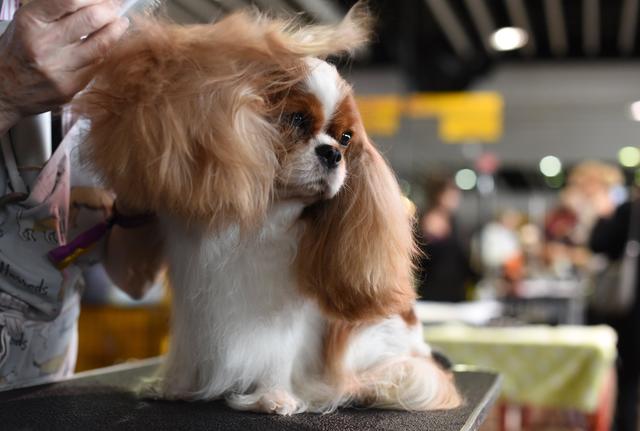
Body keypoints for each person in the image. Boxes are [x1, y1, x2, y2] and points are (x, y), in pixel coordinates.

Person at [0, 0, 163, 387]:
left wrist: (151, 170)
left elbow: (134, 277)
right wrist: (4, 94)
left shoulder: (124, 30)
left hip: (42, 392)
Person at [589, 188, 640, 431]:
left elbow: (598, 244)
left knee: (629, 376)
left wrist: (602, 215)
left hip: (632, 309)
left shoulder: (630, 210)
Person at [416, 174, 475, 302]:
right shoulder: (427, 222)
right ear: (439, 195)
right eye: (452, 194)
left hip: (456, 290)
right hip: (435, 291)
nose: (456, 198)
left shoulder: (454, 222)